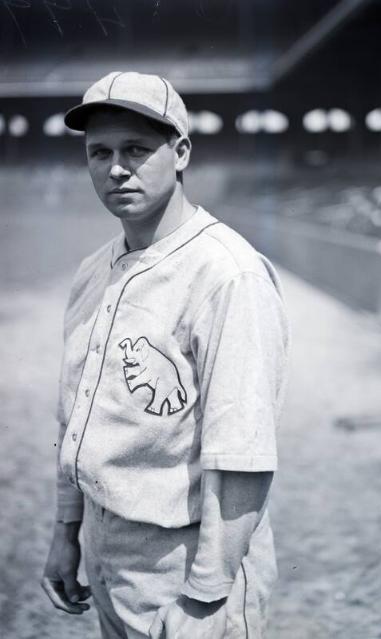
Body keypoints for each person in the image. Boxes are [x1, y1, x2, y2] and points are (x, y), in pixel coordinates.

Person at [40, 71, 290, 639]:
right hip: (108, 550)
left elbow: (242, 455)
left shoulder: (228, 274)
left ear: (180, 153)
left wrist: (204, 597)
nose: (116, 168)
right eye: (98, 152)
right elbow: (73, 417)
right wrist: (66, 533)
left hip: (188, 562)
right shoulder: (89, 272)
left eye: (136, 149)